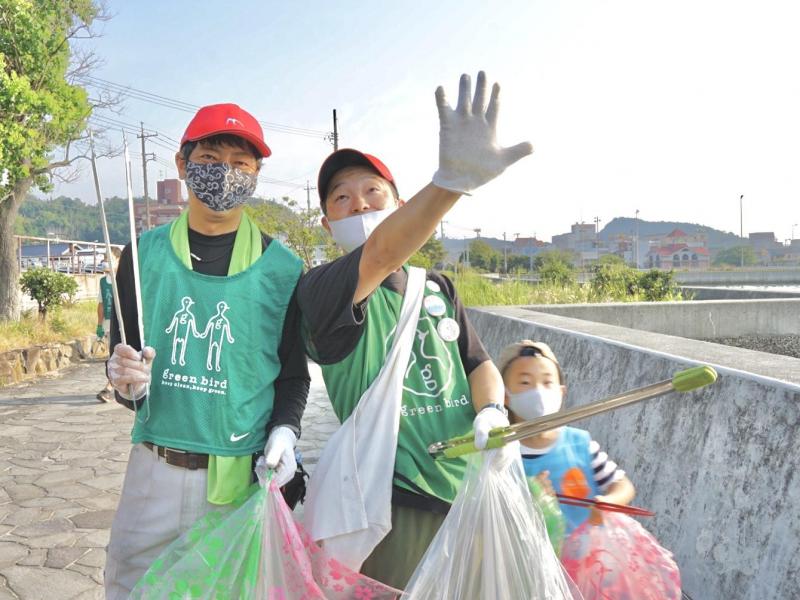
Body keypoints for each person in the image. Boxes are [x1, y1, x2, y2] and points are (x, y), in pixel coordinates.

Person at [299, 71, 533, 589]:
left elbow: (478, 363)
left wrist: (492, 410)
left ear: (400, 207)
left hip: (468, 490)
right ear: (326, 223)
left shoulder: (438, 287)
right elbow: (380, 252)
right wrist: (451, 183)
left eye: (373, 192)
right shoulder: (320, 292)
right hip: (391, 504)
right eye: (341, 198)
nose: (359, 204)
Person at [102, 103, 310, 598]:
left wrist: (285, 429)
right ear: (182, 164)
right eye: (211, 157)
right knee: (129, 587)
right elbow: (124, 364)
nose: (225, 173)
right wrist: (122, 380)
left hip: (235, 480)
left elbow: (293, 374)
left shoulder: (281, 267)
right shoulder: (141, 253)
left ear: (257, 174)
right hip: (155, 466)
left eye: (241, 163)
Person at [496, 339, 636, 534]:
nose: (538, 391)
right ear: (504, 395)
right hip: (529, 561)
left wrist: (608, 502)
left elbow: (622, 485)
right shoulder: (500, 455)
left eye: (547, 382)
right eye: (525, 382)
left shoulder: (581, 444)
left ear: (562, 392)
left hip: (585, 560)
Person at [95, 246, 121, 401]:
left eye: (109, 258)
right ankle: (109, 387)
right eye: (105, 258)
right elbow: (101, 304)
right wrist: (99, 324)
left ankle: (112, 387)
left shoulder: (125, 278)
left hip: (125, 322)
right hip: (110, 323)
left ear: (118, 260)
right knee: (113, 355)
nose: (106, 262)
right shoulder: (103, 282)